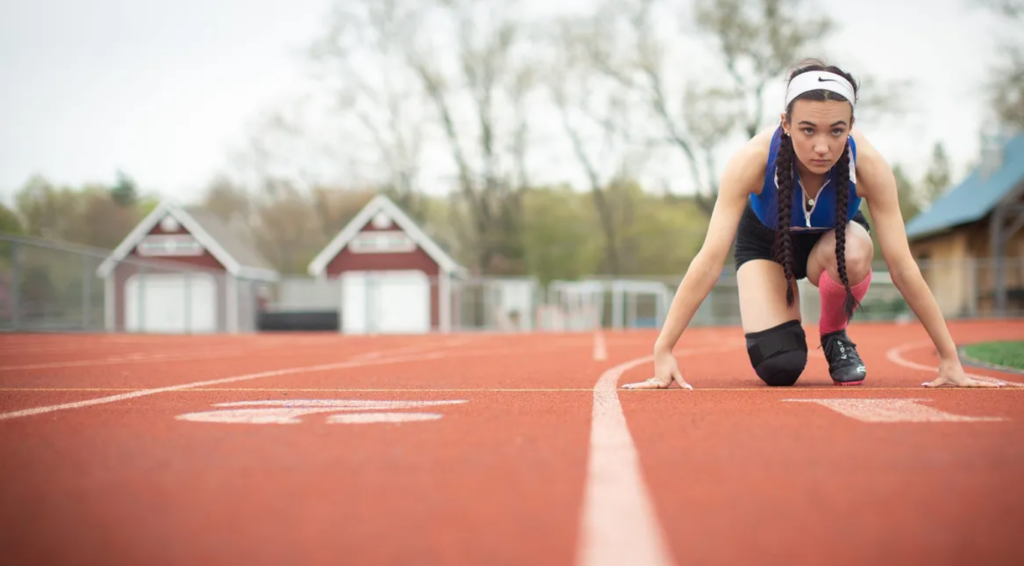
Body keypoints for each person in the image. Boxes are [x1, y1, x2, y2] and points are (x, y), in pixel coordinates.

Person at [623, 58, 1001, 390]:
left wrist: (950, 357)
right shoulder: (752, 161)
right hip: (767, 245)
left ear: (851, 125)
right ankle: (787, 329)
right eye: (808, 130)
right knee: (780, 366)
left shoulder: (868, 166)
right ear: (785, 123)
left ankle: (833, 332)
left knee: (855, 250)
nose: (822, 147)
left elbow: (902, 265)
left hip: (833, 243)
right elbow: (708, 260)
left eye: (836, 131)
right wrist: (664, 347)